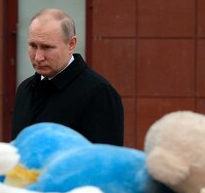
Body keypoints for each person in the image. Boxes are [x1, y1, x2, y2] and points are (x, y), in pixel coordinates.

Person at [11, 9, 124, 146]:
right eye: (33, 46)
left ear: (71, 44)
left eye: (47, 47)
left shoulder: (99, 93)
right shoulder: (25, 89)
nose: (38, 57)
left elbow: (106, 160)